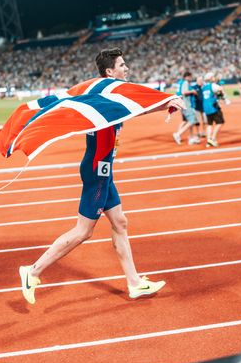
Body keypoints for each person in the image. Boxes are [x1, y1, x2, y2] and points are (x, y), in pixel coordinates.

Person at [19, 48, 184, 304]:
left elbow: (132, 110)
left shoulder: (108, 95)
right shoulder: (106, 94)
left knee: (120, 222)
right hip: (98, 170)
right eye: (122, 64)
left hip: (102, 168)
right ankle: (33, 271)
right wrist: (163, 103)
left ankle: (135, 283)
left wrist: (163, 104)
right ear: (110, 71)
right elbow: (132, 110)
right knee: (83, 231)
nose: (127, 68)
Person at [173, 71, 200, 145]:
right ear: (187, 77)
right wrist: (193, 91)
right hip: (186, 104)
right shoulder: (185, 82)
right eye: (190, 77)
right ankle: (178, 134)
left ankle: (191, 137)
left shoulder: (181, 82)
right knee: (192, 120)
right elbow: (184, 92)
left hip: (182, 103)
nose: (191, 78)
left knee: (187, 121)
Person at [202, 71, 226, 147]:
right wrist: (222, 96)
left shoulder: (204, 87)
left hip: (206, 108)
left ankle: (208, 140)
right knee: (220, 122)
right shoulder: (213, 85)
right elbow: (221, 90)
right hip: (213, 107)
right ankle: (212, 138)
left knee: (209, 124)